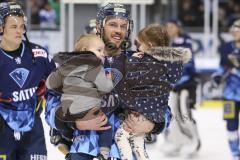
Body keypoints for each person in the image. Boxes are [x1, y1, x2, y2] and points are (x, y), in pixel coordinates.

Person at [45, 3, 171, 160]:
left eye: (123, 26)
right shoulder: (76, 61)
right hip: (85, 151)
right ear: (100, 26)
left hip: (126, 153)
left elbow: (163, 108)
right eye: (113, 24)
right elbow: (50, 106)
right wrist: (75, 122)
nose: (119, 30)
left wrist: (153, 125)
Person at [114, 24, 191, 160]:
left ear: (148, 45)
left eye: (138, 43)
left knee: (121, 137)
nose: (136, 47)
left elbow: (131, 77)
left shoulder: (144, 63)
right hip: (154, 111)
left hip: (140, 109)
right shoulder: (171, 64)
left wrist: (132, 60)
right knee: (137, 142)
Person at [0, 2, 55, 160]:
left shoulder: (39, 54)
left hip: (33, 130)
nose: (19, 31)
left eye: (22, 26)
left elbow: (57, 88)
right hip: (3, 129)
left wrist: (56, 119)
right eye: (13, 26)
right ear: (1, 27)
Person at [46, 34, 114, 160]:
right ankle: (104, 153)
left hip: (69, 110)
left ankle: (64, 139)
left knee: (68, 125)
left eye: (103, 51)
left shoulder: (66, 65)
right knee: (106, 127)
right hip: (89, 109)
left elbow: (50, 83)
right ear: (84, 50)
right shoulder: (95, 65)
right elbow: (105, 88)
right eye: (99, 50)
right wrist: (109, 79)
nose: (103, 54)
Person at [161, 19, 201, 157]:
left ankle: (194, 142)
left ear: (178, 28)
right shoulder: (165, 43)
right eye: (167, 27)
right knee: (171, 115)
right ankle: (177, 141)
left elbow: (187, 63)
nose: (169, 29)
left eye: (171, 26)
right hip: (171, 86)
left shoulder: (186, 41)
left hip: (186, 85)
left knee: (185, 113)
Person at [214, 19, 240, 160]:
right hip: (229, 94)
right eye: (234, 29)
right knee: (230, 124)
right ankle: (235, 154)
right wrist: (217, 76)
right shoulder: (226, 48)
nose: (235, 32)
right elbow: (221, 67)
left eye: (238, 29)